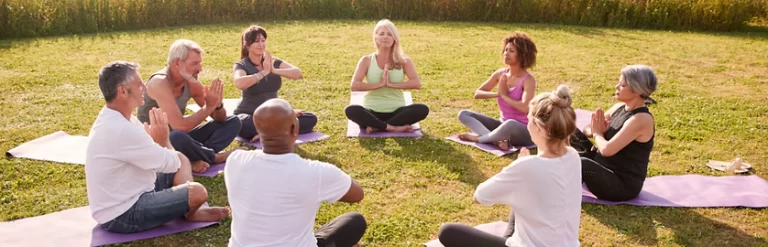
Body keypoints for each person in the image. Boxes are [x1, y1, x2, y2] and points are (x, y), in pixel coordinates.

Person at [85, 61, 229, 234]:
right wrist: (163, 140)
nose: (144, 87)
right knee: (197, 192)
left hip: (135, 190)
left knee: (182, 158)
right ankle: (191, 211)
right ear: (122, 91)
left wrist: (158, 143)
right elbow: (169, 163)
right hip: (121, 214)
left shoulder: (117, 117)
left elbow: (160, 157)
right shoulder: (120, 129)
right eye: (139, 84)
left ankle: (191, 210)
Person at [438, 85, 582, 247]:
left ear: (539, 128)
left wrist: (520, 166)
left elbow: (479, 196)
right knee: (521, 198)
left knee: (447, 231)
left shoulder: (526, 167)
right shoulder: (573, 156)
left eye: (528, 120)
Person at [224, 98, 367, 247]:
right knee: (354, 221)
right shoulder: (315, 172)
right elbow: (357, 194)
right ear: (295, 129)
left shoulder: (235, 160)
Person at [138, 39, 242, 173]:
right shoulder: (159, 82)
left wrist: (217, 105)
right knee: (177, 136)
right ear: (177, 63)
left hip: (180, 138)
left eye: (200, 63)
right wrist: (209, 107)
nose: (200, 69)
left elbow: (220, 118)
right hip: (155, 142)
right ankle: (215, 157)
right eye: (194, 64)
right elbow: (180, 126)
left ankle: (196, 156)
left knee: (233, 122)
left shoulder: (190, 81)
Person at [571, 64, 657, 201]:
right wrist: (597, 130)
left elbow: (607, 150)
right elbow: (589, 128)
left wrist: (598, 134)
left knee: (581, 163)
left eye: (622, 85)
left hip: (621, 184)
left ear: (636, 90)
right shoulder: (619, 107)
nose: (616, 87)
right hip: (601, 165)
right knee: (568, 131)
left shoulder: (641, 119)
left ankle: (556, 187)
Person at [233, 25, 318, 142]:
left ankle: (266, 133)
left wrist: (274, 71)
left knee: (310, 118)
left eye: (263, 41)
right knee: (240, 124)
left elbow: (298, 73)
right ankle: (278, 131)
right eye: (256, 41)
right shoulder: (242, 65)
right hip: (249, 115)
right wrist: (263, 73)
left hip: (274, 115)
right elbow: (239, 83)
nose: (261, 45)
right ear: (247, 44)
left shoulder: (273, 62)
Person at [344, 19, 429, 133]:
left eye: (389, 34)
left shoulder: (404, 61)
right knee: (352, 110)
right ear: (376, 37)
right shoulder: (366, 60)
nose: (385, 37)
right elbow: (354, 86)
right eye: (381, 34)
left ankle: (378, 126)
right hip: (371, 110)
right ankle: (391, 127)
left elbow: (416, 83)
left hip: (397, 110)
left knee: (422, 109)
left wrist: (391, 84)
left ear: (394, 39)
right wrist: (380, 84)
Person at [456, 32, 538, 150]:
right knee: (464, 114)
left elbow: (525, 108)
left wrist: (504, 96)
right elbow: (478, 93)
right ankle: (498, 141)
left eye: (511, 51)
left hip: (523, 131)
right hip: (502, 125)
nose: (506, 54)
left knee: (510, 123)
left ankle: (479, 139)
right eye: (505, 50)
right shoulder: (500, 74)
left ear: (522, 55)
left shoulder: (528, 80)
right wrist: (498, 94)